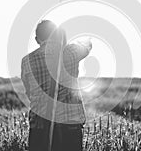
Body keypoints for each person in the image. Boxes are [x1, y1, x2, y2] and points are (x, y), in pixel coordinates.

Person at [21, 20, 92, 151]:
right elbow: (87, 46)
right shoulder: (70, 52)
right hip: (69, 124)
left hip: (39, 124)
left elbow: (29, 93)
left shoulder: (27, 61)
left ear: (37, 39)